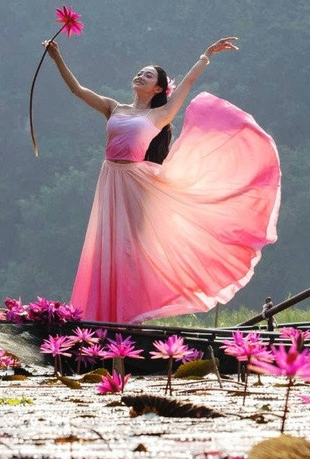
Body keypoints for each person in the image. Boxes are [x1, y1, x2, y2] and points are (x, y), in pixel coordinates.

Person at [42, 35, 282, 323]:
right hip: (110, 181)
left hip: (136, 185)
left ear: (157, 87)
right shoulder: (113, 107)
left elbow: (187, 85)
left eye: (148, 74)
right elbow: (78, 90)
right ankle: (102, 317)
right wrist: (57, 58)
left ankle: (132, 317)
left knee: (131, 251)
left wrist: (206, 54)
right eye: (139, 72)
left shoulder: (161, 115)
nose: (140, 75)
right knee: (105, 247)